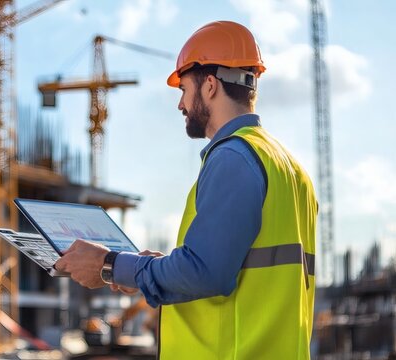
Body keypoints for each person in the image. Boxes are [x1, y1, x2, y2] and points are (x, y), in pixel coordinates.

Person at [54, 20, 318, 359]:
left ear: (209, 85)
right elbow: (237, 266)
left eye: (183, 89)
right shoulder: (291, 170)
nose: (180, 104)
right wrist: (148, 267)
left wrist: (109, 264)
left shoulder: (234, 158)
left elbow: (206, 272)